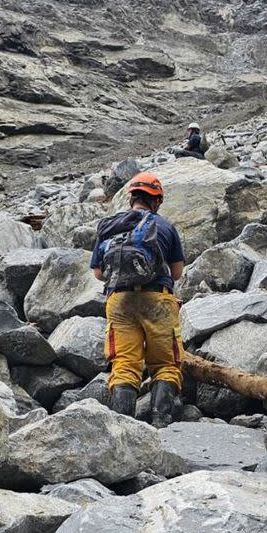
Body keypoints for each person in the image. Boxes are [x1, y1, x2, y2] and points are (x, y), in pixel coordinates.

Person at [90, 171, 185, 426]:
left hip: (119, 302)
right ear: (157, 200)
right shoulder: (164, 226)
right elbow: (177, 273)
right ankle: (160, 422)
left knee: (124, 364)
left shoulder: (110, 227)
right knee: (165, 363)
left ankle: (125, 427)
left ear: (131, 198)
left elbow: (99, 274)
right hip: (158, 299)